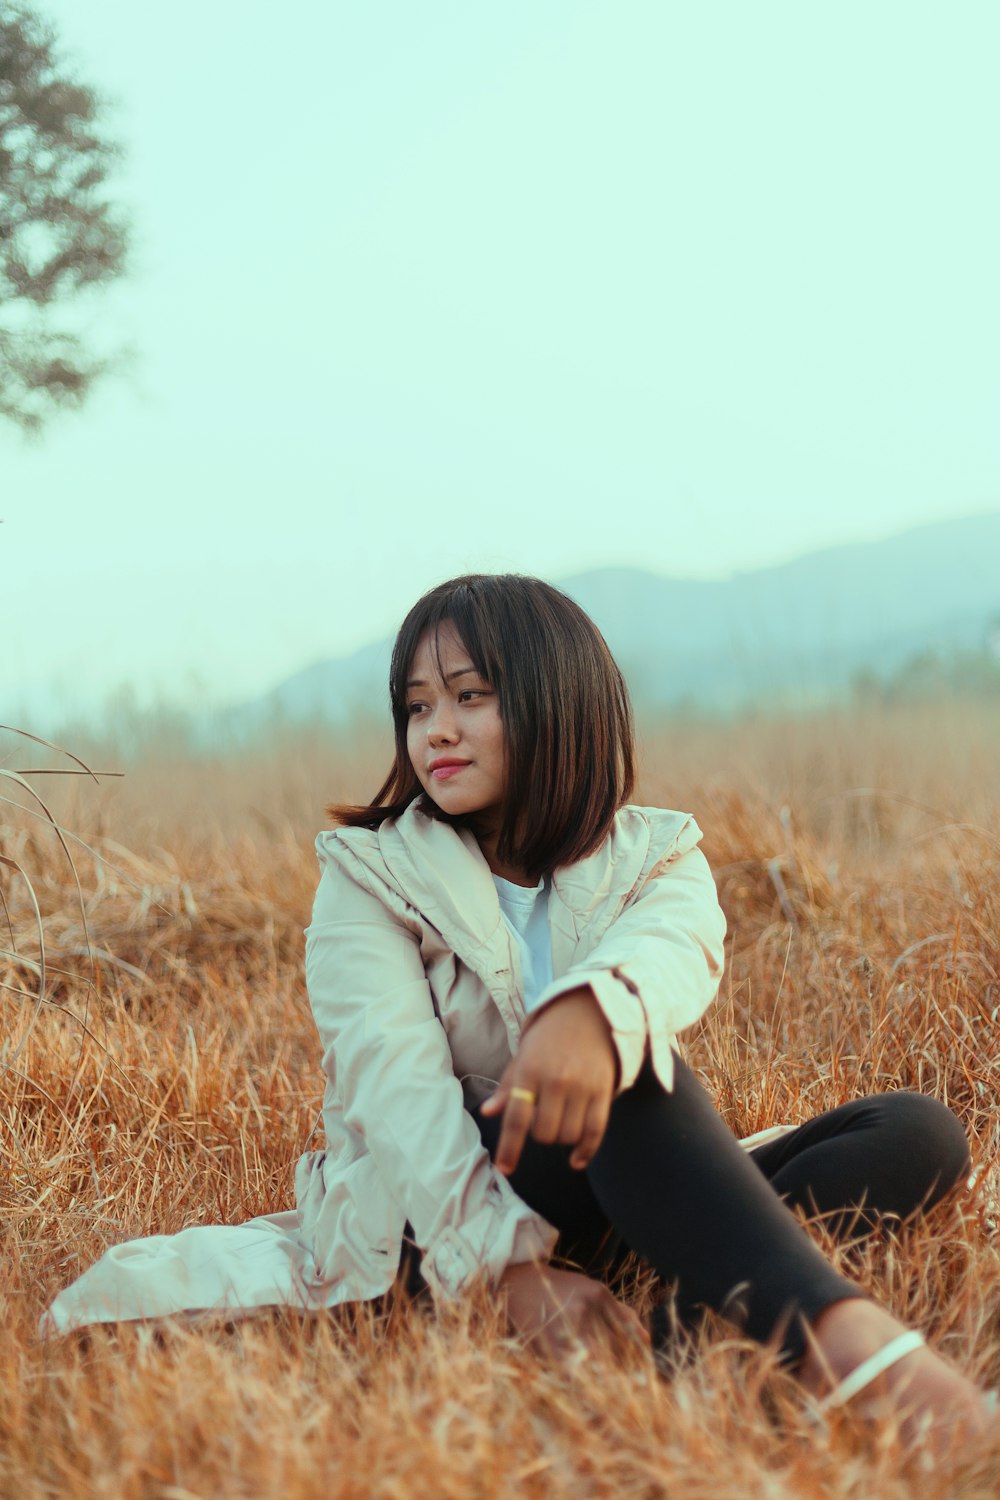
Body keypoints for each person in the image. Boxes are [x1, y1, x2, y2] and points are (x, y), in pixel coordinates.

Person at [44, 573, 996, 1454]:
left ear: (556, 700)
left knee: (913, 1132)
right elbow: (397, 1088)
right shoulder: (368, 876)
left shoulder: (657, 855)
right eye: (417, 706)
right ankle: (858, 1352)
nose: (436, 731)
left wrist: (586, 1012)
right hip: (444, 1204)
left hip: (616, 1183)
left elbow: (670, 958)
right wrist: (507, 1271)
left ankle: (678, 1340)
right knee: (623, 1071)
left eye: (469, 696)